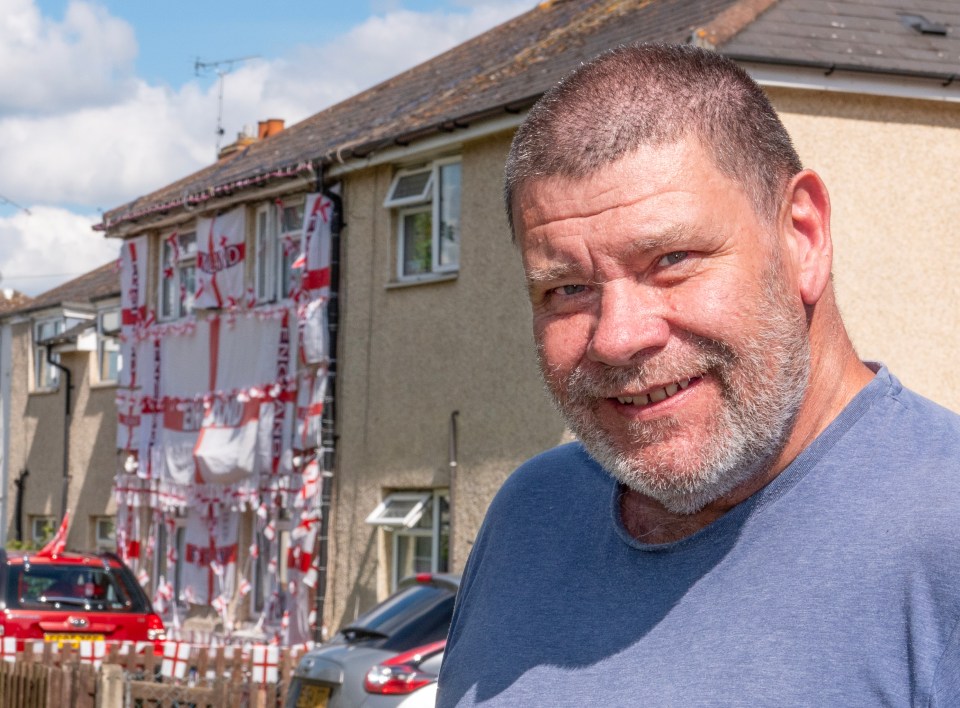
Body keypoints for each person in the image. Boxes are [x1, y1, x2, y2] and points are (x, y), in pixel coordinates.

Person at [436, 44, 960, 706]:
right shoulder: (533, 514)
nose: (619, 337)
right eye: (567, 289)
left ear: (801, 235)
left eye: (672, 258)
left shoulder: (944, 533)